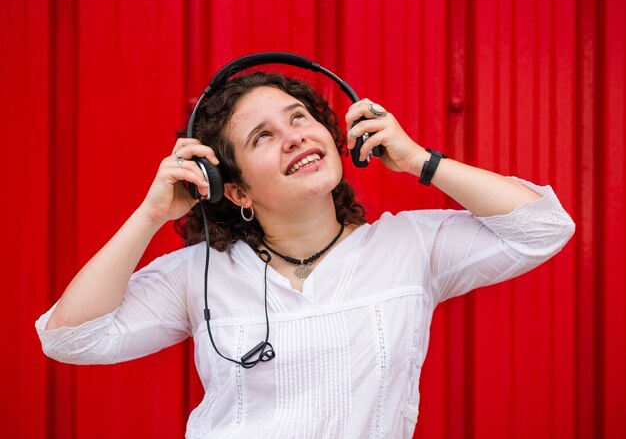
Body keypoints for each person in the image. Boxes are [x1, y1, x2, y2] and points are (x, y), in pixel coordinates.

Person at [36, 71, 575, 438]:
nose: (293, 137)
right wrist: (151, 214)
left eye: (299, 118)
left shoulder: (410, 246)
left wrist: (418, 161)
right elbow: (70, 337)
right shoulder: (198, 276)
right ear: (236, 190)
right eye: (262, 137)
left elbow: (544, 227)